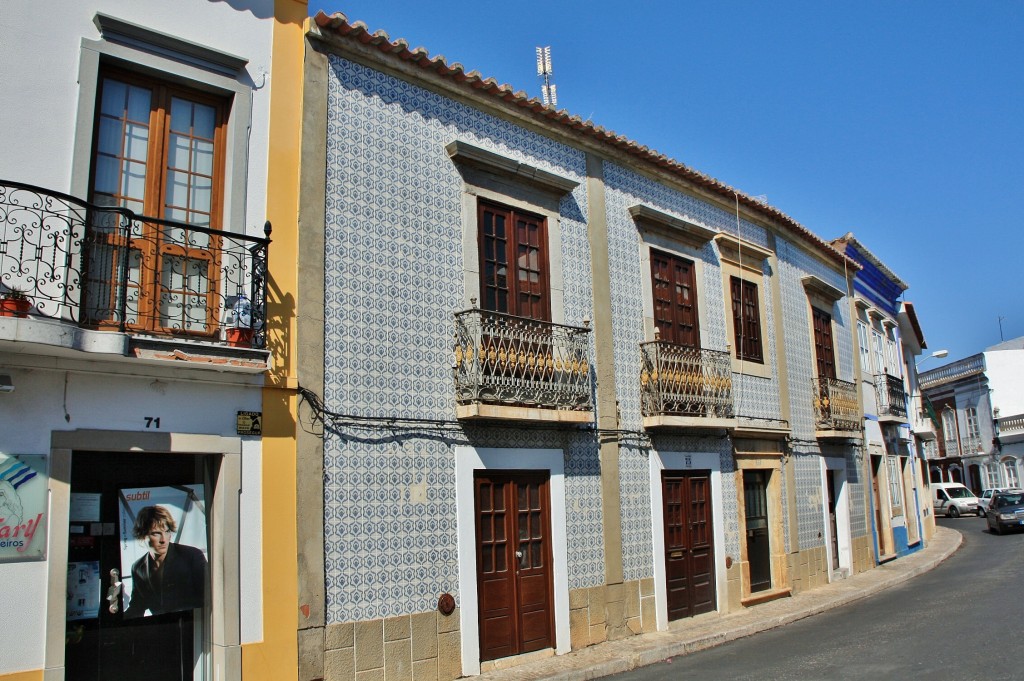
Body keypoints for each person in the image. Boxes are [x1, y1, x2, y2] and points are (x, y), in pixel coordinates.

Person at [124, 505, 207, 618]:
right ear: (143, 536)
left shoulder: (192, 556)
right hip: (161, 627)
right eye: (156, 533)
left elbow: (209, 597)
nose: (163, 539)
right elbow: (137, 607)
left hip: (192, 624)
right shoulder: (138, 567)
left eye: (167, 532)